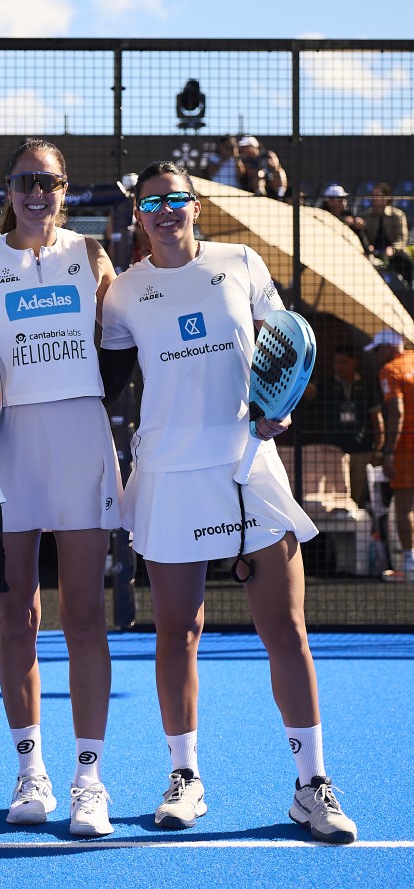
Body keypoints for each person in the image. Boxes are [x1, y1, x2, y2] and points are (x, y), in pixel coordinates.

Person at [100, 160, 358, 843]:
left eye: (176, 198)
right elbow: (104, 379)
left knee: (287, 629)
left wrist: (283, 408)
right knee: (177, 631)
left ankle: (312, 786)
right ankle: (184, 776)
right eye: (151, 201)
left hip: (250, 468)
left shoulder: (241, 261)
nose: (165, 210)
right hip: (168, 475)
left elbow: (285, 346)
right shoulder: (123, 294)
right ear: (137, 214)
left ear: (195, 205)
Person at [0, 138, 122, 837]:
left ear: (65, 188)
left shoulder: (93, 256)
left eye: (48, 181)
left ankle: (88, 778)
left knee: (85, 615)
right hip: (6, 447)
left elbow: (130, 337)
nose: (37, 192)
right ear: (8, 189)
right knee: (17, 612)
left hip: (80, 440)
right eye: (25, 180)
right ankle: (30, 770)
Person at [308, 342, 383, 508]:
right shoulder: (325, 384)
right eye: (336, 362)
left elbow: (377, 421)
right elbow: (308, 392)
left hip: (361, 451)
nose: (339, 367)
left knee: (358, 498)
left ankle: (358, 532)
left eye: (343, 362)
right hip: (334, 452)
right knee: (334, 498)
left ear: (354, 362)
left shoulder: (366, 387)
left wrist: (379, 451)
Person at [366, 328, 414, 581]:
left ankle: (410, 564)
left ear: (388, 348)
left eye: (377, 350)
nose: (375, 356)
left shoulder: (390, 370)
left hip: (406, 446)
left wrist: (389, 451)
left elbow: (396, 411)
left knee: (404, 506)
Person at [361, 182, 412, 286]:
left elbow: (402, 237)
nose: (374, 198)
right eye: (373, 195)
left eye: (378, 195)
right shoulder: (366, 216)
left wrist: (393, 249)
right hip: (373, 253)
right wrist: (368, 248)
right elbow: (363, 236)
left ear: (387, 197)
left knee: (405, 262)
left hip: (393, 253)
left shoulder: (397, 215)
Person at [321, 184, 371, 252]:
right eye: (340, 199)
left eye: (344, 198)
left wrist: (358, 225)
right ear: (330, 202)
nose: (344, 202)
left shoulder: (348, 213)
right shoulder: (321, 214)